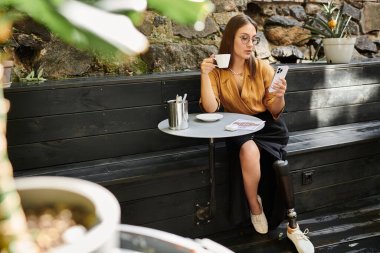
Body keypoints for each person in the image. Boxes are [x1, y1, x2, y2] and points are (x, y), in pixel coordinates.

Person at [199, 14, 314, 253]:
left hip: (267, 126)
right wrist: (204, 75)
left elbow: (274, 110)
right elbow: (211, 108)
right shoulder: (218, 70)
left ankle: (293, 225)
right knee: (248, 150)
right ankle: (255, 206)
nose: (250, 44)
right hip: (236, 125)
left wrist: (280, 94)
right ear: (230, 39)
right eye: (244, 38)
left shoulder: (261, 67)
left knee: (276, 162)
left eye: (253, 38)